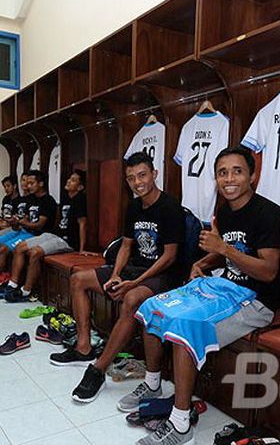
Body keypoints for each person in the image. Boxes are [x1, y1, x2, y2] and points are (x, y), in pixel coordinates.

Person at [131, 146, 280, 445]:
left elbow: (268, 271)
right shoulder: (226, 210)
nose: (229, 179)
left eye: (237, 171)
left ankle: (180, 425)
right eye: (222, 172)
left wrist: (223, 249)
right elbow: (225, 255)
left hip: (256, 300)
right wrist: (201, 263)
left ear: (253, 175)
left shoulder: (270, 215)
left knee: (184, 326)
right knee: (153, 306)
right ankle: (152, 384)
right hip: (225, 288)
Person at [49, 152, 184, 403]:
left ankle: (98, 369)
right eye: (131, 178)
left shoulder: (170, 207)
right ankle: (83, 347)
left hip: (164, 275)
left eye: (142, 175)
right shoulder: (133, 206)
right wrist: (115, 275)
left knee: (132, 299)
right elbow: (125, 246)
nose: (137, 182)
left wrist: (134, 282)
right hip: (135, 269)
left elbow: (170, 256)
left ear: (154, 174)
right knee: (79, 279)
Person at [0, 169, 88, 302]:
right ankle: (13, 285)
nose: (69, 181)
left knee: (35, 252)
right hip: (54, 234)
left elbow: (83, 224)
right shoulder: (65, 197)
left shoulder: (80, 199)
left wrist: (81, 249)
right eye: (69, 178)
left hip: (67, 241)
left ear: (80, 187)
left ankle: (26, 291)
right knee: (20, 247)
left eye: (73, 180)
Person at [0, 169, 57, 297]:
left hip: (37, 235)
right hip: (24, 230)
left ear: (41, 184)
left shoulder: (48, 201)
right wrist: (15, 222)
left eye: (32, 183)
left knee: (4, 249)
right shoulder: (31, 199)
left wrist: (20, 222)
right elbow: (23, 221)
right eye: (28, 183)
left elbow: (39, 225)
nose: (28, 185)